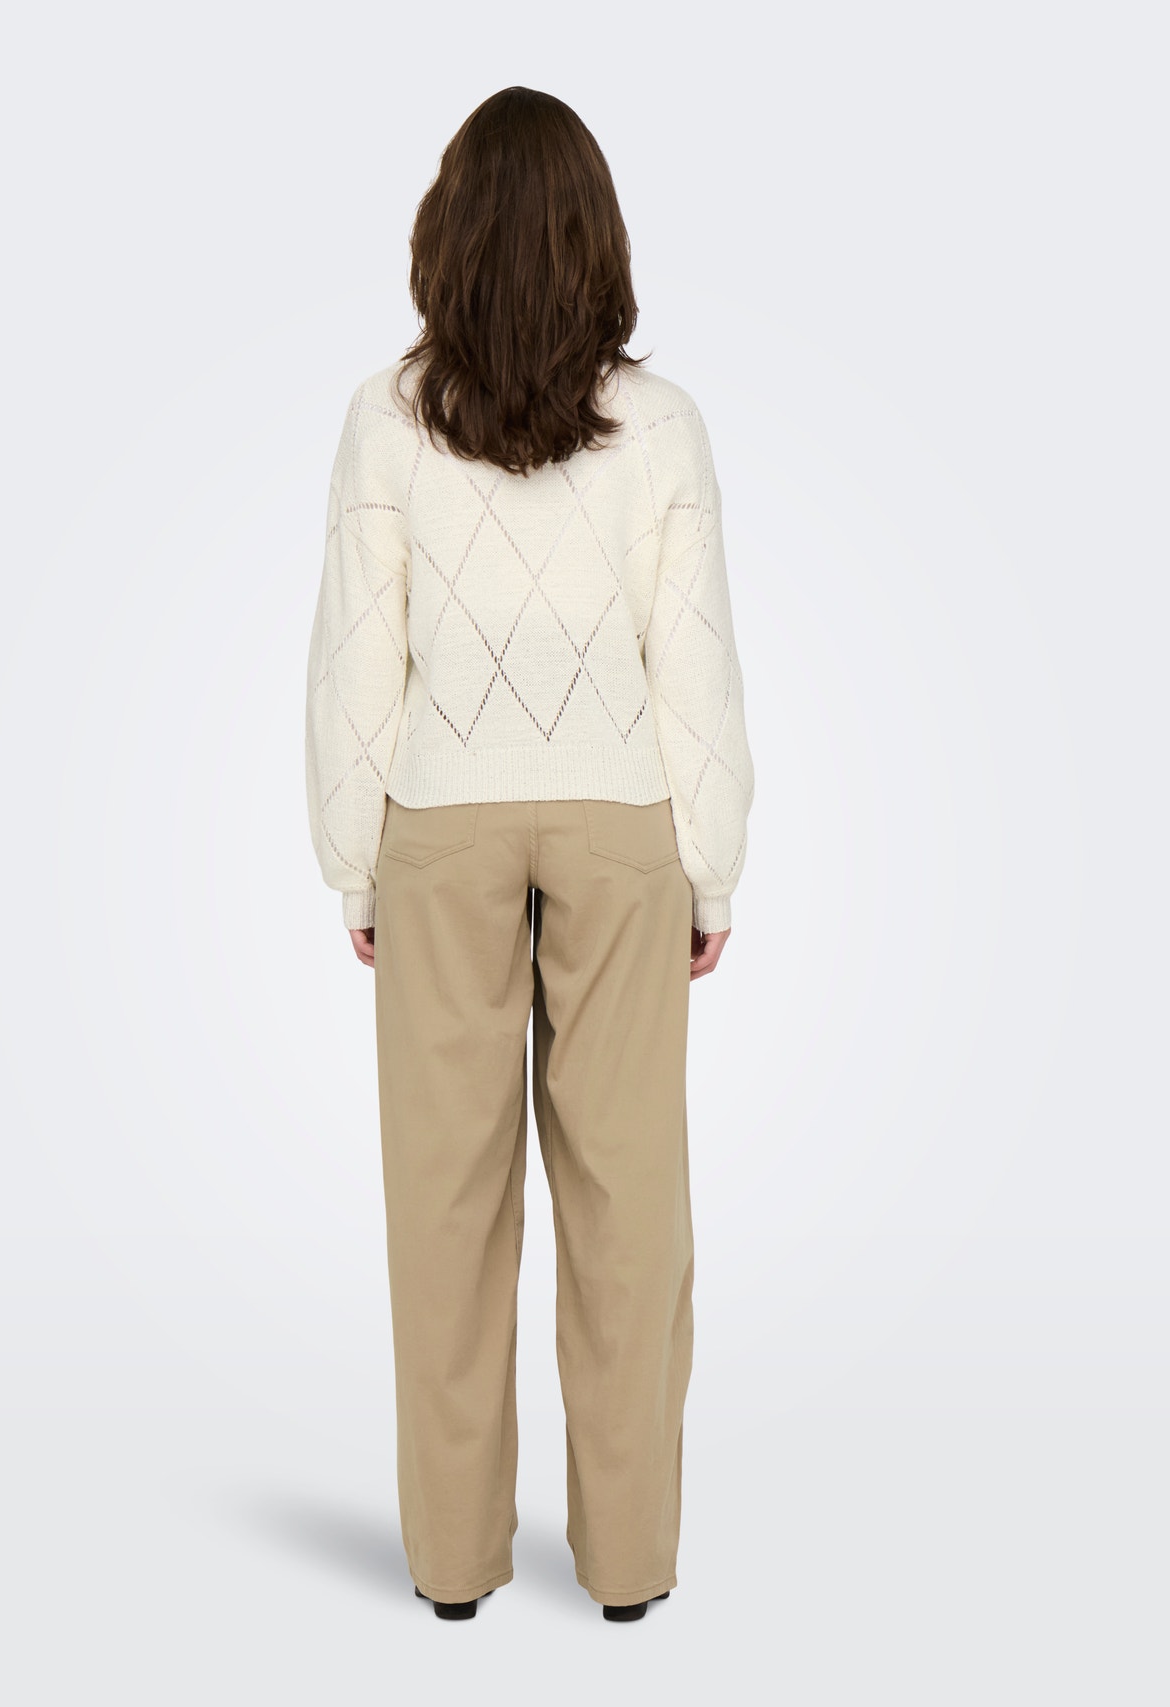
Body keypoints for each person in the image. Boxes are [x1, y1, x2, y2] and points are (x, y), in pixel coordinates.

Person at [304, 86, 756, 1623]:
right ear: (596, 242)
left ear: (445, 237)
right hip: (624, 826)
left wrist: (355, 861)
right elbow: (693, 663)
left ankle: (452, 1570)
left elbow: (358, 658)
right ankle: (627, 1570)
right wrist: (712, 866)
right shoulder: (663, 425)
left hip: (440, 825)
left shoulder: (385, 418)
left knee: (444, 1205)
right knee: (633, 1205)